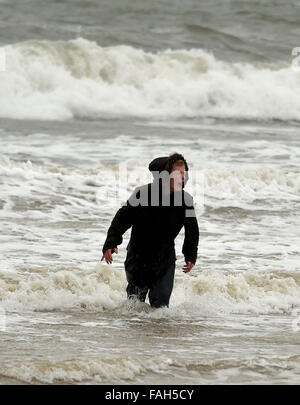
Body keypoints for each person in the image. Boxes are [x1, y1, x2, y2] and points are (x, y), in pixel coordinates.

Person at [101, 153, 199, 308]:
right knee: (134, 306)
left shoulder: (185, 200)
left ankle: (156, 332)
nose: (182, 177)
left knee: (160, 309)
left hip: (164, 260)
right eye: (177, 173)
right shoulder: (143, 194)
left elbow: (192, 229)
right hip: (138, 258)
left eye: (184, 174)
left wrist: (190, 254)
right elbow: (123, 217)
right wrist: (111, 242)